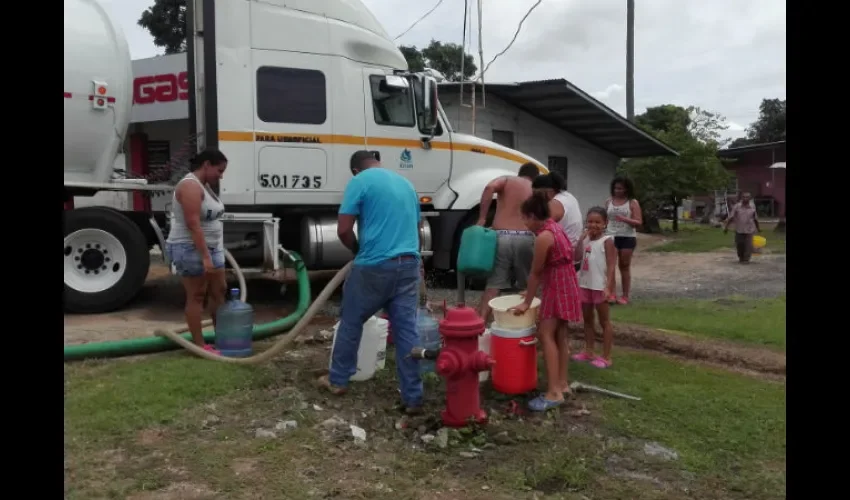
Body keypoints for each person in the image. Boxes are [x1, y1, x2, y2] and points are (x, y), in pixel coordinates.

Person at [319, 150, 425, 415]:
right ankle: (413, 396)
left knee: (352, 320)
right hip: (409, 263)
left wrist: (357, 251)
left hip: (374, 265)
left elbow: (343, 229)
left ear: (355, 170)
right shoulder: (406, 184)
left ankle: (338, 380)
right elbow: (417, 227)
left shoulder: (360, 181)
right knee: (406, 331)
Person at [510, 191, 582, 411]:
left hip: (558, 287)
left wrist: (526, 302)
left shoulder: (543, 237)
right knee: (561, 334)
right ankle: (562, 383)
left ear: (533, 216)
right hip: (567, 283)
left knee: (545, 334)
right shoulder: (555, 227)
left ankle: (553, 393)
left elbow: (535, 273)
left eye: (524, 218)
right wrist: (529, 292)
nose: (524, 222)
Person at [165, 149, 229, 354]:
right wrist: (205, 257)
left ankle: (224, 338)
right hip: (190, 248)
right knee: (197, 296)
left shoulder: (206, 187)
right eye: (219, 170)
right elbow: (193, 224)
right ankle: (200, 346)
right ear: (207, 165)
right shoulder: (190, 186)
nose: (221, 175)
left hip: (212, 247)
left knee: (220, 291)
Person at [476, 162, 540, 323]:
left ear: (520, 173)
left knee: (494, 284)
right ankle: (526, 325)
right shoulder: (536, 189)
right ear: (535, 176)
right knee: (527, 286)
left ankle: (481, 324)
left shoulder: (507, 180)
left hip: (502, 236)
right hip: (526, 236)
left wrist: (482, 218)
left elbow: (489, 187)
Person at [572, 207, 617, 368]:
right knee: (588, 320)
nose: (593, 225)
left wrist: (608, 287)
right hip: (585, 285)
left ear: (605, 223)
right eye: (590, 221)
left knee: (604, 321)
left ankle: (606, 356)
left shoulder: (607, 241)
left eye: (598, 222)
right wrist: (579, 240)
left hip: (600, 286)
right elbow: (576, 257)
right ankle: (588, 351)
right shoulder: (585, 240)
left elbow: (612, 265)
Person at [531, 172, 583, 271]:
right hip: (573, 255)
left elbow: (540, 228)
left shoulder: (555, 203)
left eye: (537, 194)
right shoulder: (568, 196)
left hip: (562, 259)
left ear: (549, 191)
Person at [605, 176, 642, 305]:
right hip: (610, 236)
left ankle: (625, 295)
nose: (617, 190)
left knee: (624, 266)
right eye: (615, 188)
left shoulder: (632, 202)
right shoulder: (609, 201)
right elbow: (606, 219)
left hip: (627, 236)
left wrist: (625, 219)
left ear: (626, 189)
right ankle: (612, 293)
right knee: (610, 266)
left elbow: (638, 222)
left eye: (620, 188)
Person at [724, 192, 761, 263]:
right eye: (744, 197)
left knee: (748, 245)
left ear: (750, 199)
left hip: (749, 229)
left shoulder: (752, 207)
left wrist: (758, 228)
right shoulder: (737, 206)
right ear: (741, 198)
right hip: (739, 229)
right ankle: (741, 257)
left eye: (747, 197)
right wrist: (726, 227)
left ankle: (746, 259)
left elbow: (755, 218)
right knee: (740, 244)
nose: (745, 199)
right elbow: (731, 217)